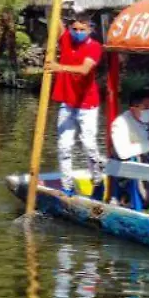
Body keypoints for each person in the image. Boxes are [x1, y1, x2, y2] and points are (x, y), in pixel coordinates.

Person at [45, 11, 105, 195]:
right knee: (64, 146)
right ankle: (67, 186)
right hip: (68, 103)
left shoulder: (94, 47)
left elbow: (85, 70)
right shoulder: (66, 40)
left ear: (89, 29)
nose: (77, 32)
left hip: (87, 105)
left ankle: (97, 181)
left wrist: (59, 67)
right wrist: (53, 7)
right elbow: (56, 23)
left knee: (89, 145)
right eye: (75, 29)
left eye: (82, 29)